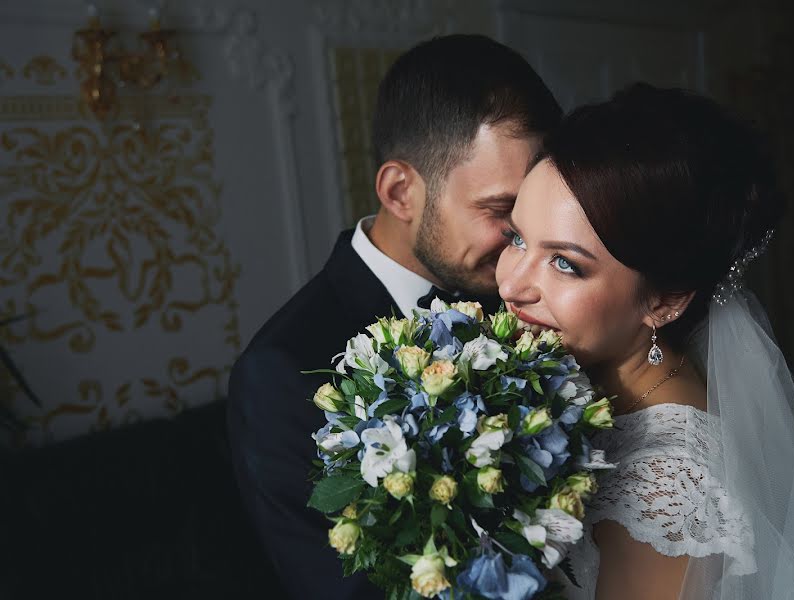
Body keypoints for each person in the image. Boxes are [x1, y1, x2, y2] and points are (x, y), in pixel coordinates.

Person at [495, 83, 794, 599]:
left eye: (565, 263)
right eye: (517, 237)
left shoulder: (664, 487)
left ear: (664, 301)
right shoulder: (587, 391)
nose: (512, 284)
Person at [227, 34, 561, 599]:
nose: (523, 243)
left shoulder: (520, 296)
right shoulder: (283, 369)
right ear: (401, 191)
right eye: (501, 211)